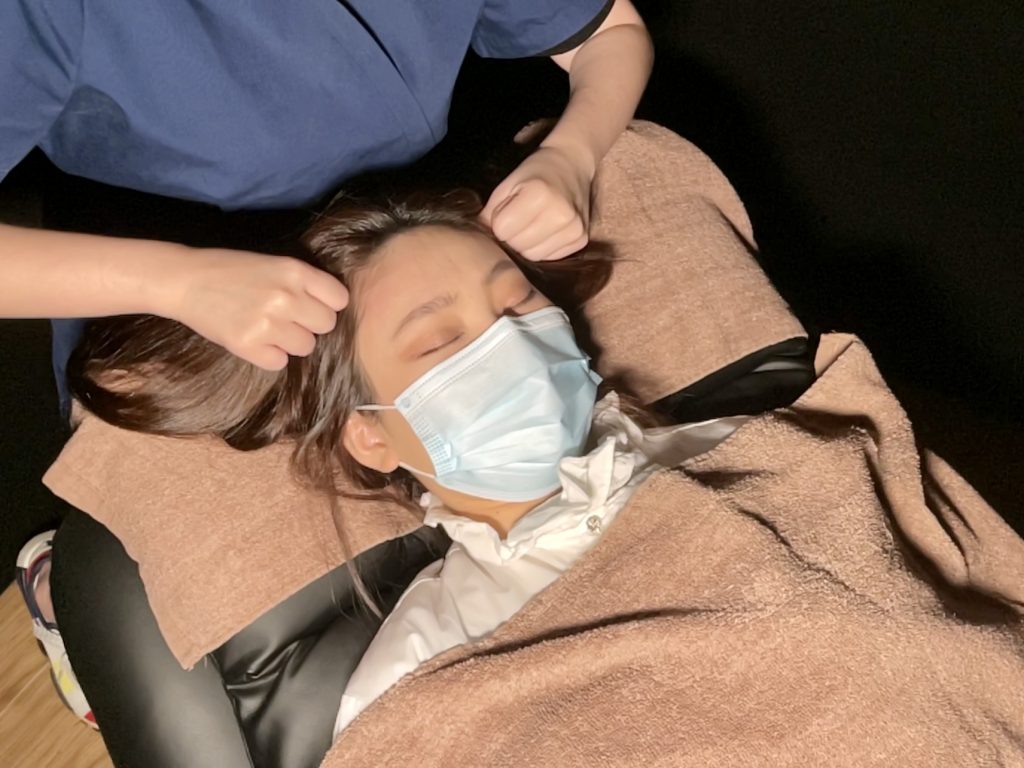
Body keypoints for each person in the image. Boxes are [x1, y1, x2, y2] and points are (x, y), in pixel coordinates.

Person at [69, 190, 1024, 761]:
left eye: (519, 301)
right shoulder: (421, 667)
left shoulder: (756, 447)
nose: (510, 345)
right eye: (440, 341)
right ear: (373, 437)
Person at [2, 0, 653, 726]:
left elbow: (610, 33)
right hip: (176, 299)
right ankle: (65, 592)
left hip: (398, 234)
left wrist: (573, 154)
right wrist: (176, 283)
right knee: (149, 536)